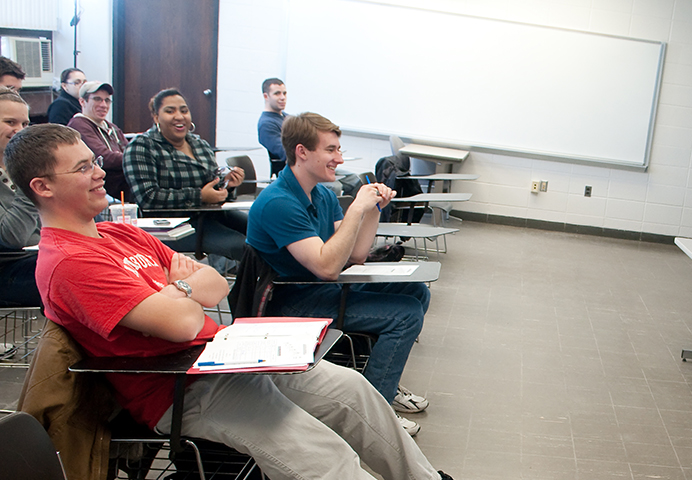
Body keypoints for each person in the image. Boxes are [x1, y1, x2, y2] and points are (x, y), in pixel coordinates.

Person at [5, 123, 454, 480]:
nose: (100, 172)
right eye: (82, 168)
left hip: (225, 356)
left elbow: (216, 282)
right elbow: (182, 324)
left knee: (353, 392)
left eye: (93, 162)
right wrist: (180, 288)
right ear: (43, 187)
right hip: (180, 385)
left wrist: (175, 292)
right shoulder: (69, 263)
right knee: (323, 454)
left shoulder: (117, 232)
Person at [248, 112, 430, 435]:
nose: (339, 158)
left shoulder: (321, 194)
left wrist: (371, 210)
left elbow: (355, 254)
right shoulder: (278, 202)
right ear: (302, 152)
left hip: (317, 289)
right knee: (405, 315)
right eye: (331, 150)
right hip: (290, 301)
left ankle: (384, 382)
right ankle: (376, 414)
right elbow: (328, 267)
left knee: (417, 292)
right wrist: (356, 209)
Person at [124, 88, 247, 261]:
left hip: (212, 215)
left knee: (267, 234)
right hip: (174, 225)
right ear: (156, 117)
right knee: (245, 247)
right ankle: (250, 288)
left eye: (184, 110)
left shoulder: (200, 144)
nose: (179, 116)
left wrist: (227, 184)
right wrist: (200, 196)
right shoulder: (141, 147)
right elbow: (148, 197)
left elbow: (212, 186)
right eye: (170, 111)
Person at [0, 87, 40, 307]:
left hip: (37, 258)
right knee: (77, 273)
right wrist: (30, 181)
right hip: (8, 269)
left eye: (25, 124)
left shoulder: (15, 169)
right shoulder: (27, 173)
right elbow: (13, 238)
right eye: (10, 122)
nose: (20, 131)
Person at [67, 81, 132, 202]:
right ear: (82, 101)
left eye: (107, 100)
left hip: (125, 188)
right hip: (105, 192)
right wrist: (137, 159)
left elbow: (129, 151)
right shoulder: (79, 125)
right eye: (97, 99)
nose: (103, 105)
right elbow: (104, 158)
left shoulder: (111, 127)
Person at [257, 78, 288, 177]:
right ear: (266, 96)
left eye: (284, 93)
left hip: (301, 170)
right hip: (287, 175)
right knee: (332, 185)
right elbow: (285, 152)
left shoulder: (287, 117)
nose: (282, 97)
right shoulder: (267, 124)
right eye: (277, 93)